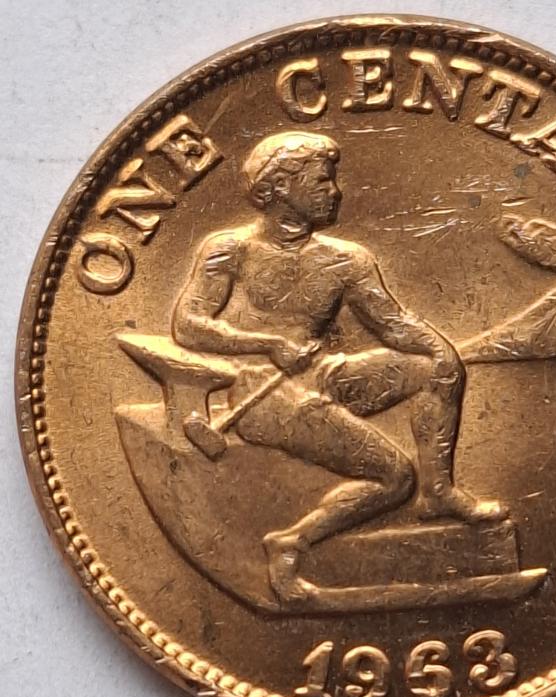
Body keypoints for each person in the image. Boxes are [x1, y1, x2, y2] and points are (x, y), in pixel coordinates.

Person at [172, 131, 504, 601]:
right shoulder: (230, 250)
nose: (336, 192)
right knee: (394, 478)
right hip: (261, 394)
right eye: (322, 181)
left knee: (436, 369)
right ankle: (290, 543)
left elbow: (392, 323)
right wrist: (268, 344)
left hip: (323, 376)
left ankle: (438, 492)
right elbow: (188, 325)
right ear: (280, 187)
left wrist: (440, 350)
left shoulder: (346, 260)